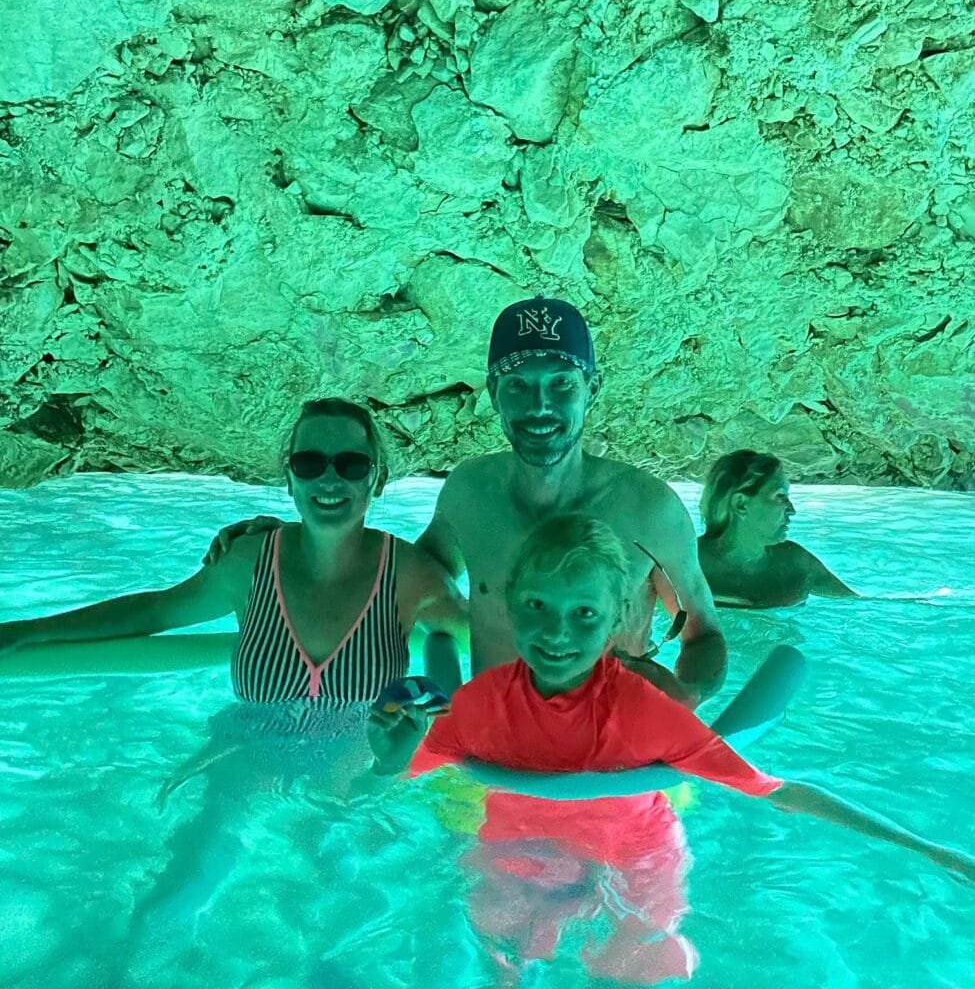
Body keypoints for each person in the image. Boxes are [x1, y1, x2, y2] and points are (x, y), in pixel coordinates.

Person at [368, 514, 974, 985]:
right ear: (508, 604)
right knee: (500, 950)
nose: (557, 631)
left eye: (584, 612)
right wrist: (387, 758)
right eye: (538, 606)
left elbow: (774, 790)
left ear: (615, 622)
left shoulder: (644, 715)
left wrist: (927, 848)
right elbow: (385, 783)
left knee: (638, 965)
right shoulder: (479, 707)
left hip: (633, 849)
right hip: (520, 845)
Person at [208, 297, 727, 708]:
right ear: (494, 392)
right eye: (518, 385)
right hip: (495, 751)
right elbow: (407, 573)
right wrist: (301, 540)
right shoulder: (471, 493)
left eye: (561, 384)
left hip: (612, 752)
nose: (540, 405)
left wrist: (683, 702)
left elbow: (703, 636)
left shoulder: (650, 510)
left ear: (591, 388)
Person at [0, 396, 467, 696]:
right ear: (289, 479)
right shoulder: (249, 562)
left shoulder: (409, 576)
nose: (329, 478)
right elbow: (156, 611)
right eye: (309, 463)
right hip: (240, 767)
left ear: (377, 480)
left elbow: (494, 641)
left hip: (359, 789)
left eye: (351, 464)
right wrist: (28, 631)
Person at [697, 450, 858, 608]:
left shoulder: (795, 564)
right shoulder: (689, 565)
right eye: (780, 496)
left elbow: (859, 605)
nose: (792, 510)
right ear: (741, 504)